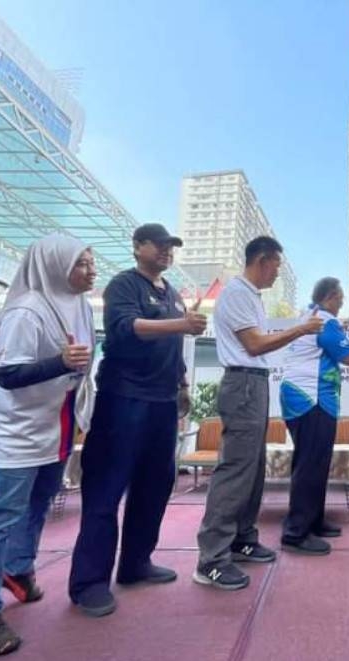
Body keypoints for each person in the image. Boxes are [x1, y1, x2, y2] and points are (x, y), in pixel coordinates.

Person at [0, 235, 97, 656]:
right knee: (0, 515)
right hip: (19, 429)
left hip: (57, 421)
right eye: (82, 264)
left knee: (40, 502)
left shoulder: (82, 305)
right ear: (54, 266)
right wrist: (62, 363)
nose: (91, 270)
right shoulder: (26, 310)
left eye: (90, 262)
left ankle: (16, 570)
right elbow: (8, 375)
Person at [69, 224, 207, 617]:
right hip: (123, 398)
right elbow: (126, 328)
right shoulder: (124, 285)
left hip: (163, 403)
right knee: (106, 489)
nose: (166, 251)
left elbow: (174, 346)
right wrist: (181, 324)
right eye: (159, 244)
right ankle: (89, 582)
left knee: (155, 485)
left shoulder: (173, 294)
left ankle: (135, 563)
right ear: (137, 247)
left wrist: (182, 384)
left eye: (171, 246)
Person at [194, 236, 323, 590]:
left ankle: (241, 538)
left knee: (252, 469)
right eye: (276, 267)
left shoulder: (251, 297)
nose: (276, 274)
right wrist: (300, 329)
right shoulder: (236, 293)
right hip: (243, 383)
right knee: (236, 468)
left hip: (254, 383)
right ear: (262, 260)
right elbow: (253, 345)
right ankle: (211, 559)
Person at [279, 277, 349, 555]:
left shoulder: (312, 316)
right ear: (330, 296)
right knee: (310, 463)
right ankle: (296, 533)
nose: (342, 303)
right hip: (310, 398)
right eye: (341, 298)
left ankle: (314, 520)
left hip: (306, 397)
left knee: (315, 461)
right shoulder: (325, 320)